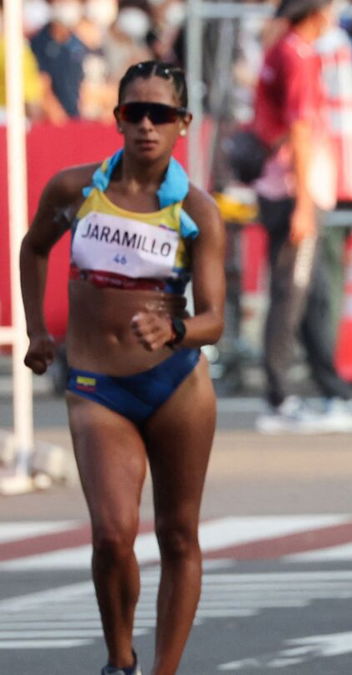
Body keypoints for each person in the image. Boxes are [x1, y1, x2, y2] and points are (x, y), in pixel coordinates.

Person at [20, 60, 224, 675]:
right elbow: (33, 249)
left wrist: (178, 328)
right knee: (112, 533)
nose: (145, 125)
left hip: (176, 387)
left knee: (178, 535)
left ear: (182, 124)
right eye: (133, 111)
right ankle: (120, 660)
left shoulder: (197, 210)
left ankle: (163, 670)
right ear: (116, 119)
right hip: (96, 386)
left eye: (160, 114)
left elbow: (217, 319)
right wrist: (36, 329)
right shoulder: (73, 190)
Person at [251, 0, 352, 434]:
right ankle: (280, 395)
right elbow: (301, 130)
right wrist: (305, 203)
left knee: (313, 297)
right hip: (295, 191)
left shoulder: (280, 49)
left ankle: (331, 388)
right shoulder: (299, 55)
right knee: (292, 294)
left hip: (288, 189)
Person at [29, 0, 89, 119]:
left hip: (75, 115)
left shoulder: (77, 41)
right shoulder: (39, 41)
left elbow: (82, 81)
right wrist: (56, 114)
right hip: (51, 117)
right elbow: (41, 82)